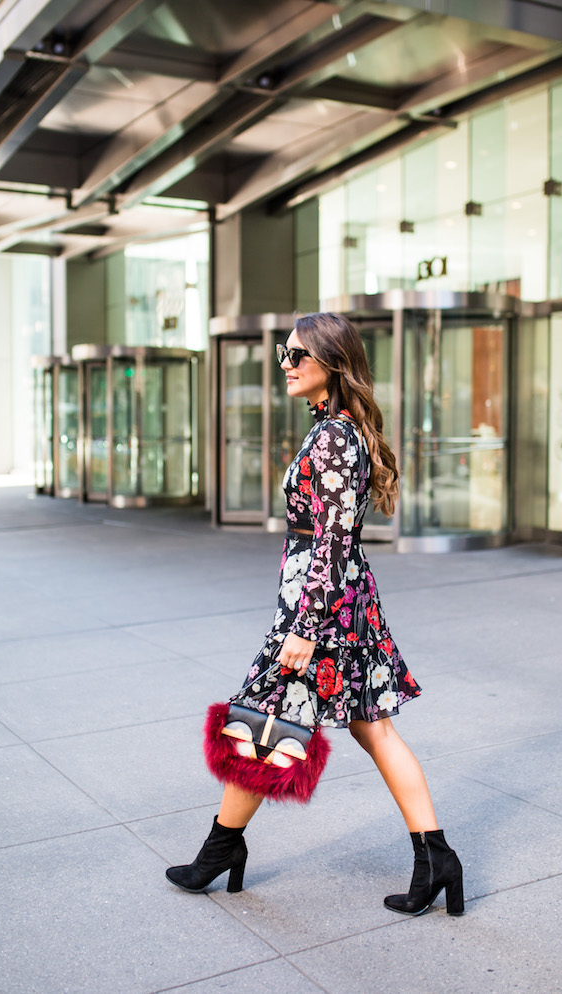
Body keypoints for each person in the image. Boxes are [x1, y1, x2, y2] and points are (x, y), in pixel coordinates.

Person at [166, 312, 464, 917]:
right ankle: (437, 859)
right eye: (284, 353)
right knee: (369, 726)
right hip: (342, 598)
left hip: (319, 605)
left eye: (298, 355)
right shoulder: (339, 427)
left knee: (261, 722)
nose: (286, 364)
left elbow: (328, 537)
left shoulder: (333, 436)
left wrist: (303, 628)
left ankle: (218, 853)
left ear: (332, 361)